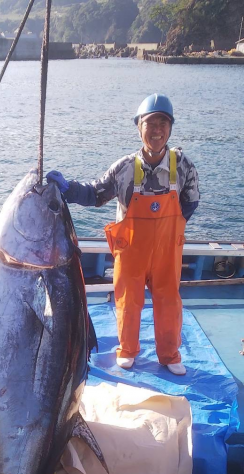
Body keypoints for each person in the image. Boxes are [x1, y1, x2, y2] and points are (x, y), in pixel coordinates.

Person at [47, 93, 200, 376]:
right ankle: (127, 350)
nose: (157, 130)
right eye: (150, 123)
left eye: (163, 123)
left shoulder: (184, 166)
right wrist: (68, 188)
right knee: (128, 300)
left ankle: (169, 354)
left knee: (168, 302)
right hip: (131, 252)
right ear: (139, 126)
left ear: (170, 127)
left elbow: (191, 201)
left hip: (167, 251)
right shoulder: (124, 168)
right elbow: (95, 193)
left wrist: (172, 230)